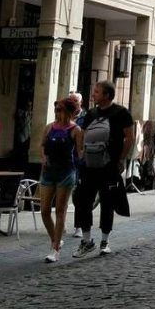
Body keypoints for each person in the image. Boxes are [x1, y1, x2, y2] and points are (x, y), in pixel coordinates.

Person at [74, 80, 135, 256]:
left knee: (107, 202)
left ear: (107, 95)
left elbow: (129, 137)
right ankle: (86, 240)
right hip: (90, 165)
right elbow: (82, 133)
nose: (93, 94)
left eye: (97, 92)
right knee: (83, 201)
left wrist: (122, 159)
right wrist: (81, 152)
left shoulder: (121, 113)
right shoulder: (91, 113)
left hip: (110, 165)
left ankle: (104, 241)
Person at [38, 97, 84, 262]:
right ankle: (55, 239)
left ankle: (55, 249)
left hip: (66, 172)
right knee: (44, 210)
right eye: (56, 109)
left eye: (60, 110)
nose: (57, 113)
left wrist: (82, 170)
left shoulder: (76, 130)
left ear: (69, 112)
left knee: (60, 210)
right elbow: (42, 145)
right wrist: (43, 158)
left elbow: (79, 152)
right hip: (49, 171)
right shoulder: (49, 127)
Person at [66, 91, 86, 239]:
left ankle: (79, 226)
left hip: (78, 162)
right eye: (70, 100)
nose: (72, 103)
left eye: (74, 101)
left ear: (80, 103)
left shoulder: (85, 118)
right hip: (64, 161)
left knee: (79, 195)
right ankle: (61, 224)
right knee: (63, 194)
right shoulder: (64, 117)